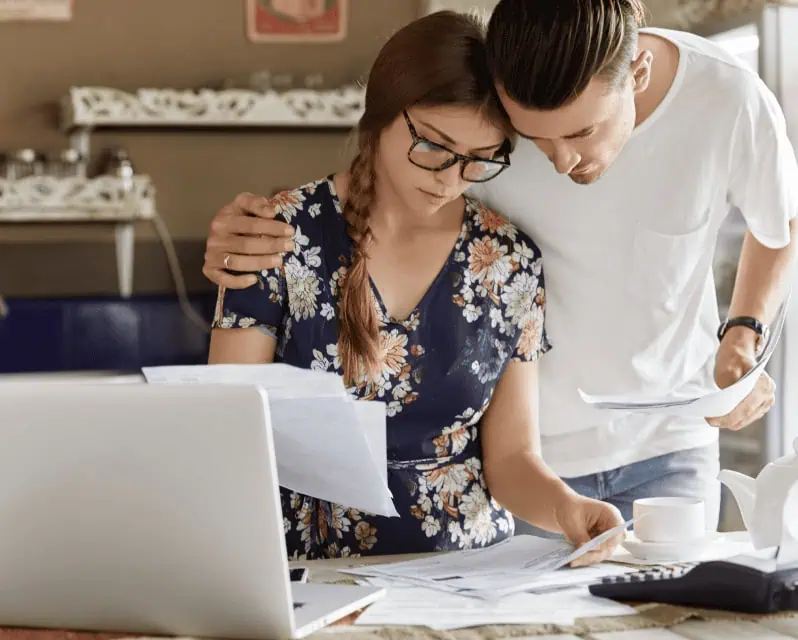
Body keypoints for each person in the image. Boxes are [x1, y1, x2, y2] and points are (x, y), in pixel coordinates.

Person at [203, 0, 798, 532]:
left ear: (636, 75)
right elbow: (225, 439)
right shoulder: (484, 119)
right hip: (506, 475)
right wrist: (239, 238)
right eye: (533, 142)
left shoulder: (726, 97)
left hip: (658, 447)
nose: (561, 161)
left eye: (581, 132)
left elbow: (782, 223)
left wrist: (745, 332)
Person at [208, 11, 624, 561]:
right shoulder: (275, 236)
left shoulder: (508, 260)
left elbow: (511, 459)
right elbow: (225, 435)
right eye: (432, 145)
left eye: (479, 161)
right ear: (382, 113)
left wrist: (565, 507)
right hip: (313, 571)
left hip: (466, 573)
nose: (449, 179)